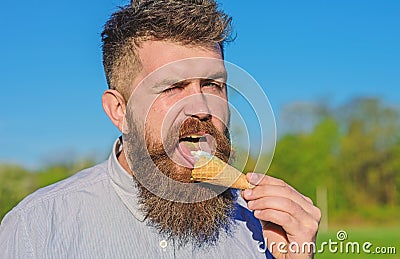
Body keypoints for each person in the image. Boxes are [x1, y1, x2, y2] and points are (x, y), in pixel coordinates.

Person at [0, 0, 321, 258]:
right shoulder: (37, 230)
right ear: (119, 110)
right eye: (172, 87)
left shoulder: (260, 227)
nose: (202, 109)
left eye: (212, 85)